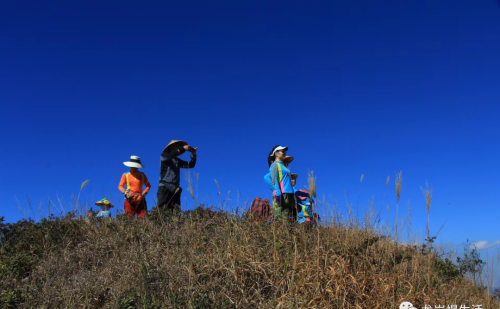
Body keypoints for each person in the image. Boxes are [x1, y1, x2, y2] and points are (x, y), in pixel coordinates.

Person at [157, 140, 198, 211]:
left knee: (176, 211)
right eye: (178, 146)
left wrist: (193, 155)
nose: (179, 147)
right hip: (165, 186)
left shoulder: (177, 160)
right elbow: (170, 156)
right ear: (171, 147)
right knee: (161, 210)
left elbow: (191, 165)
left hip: (175, 188)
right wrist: (183, 148)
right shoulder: (164, 155)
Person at [268, 145, 297, 220]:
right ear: (276, 154)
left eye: (285, 152)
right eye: (282, 151)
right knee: (281, 219)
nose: (284, 153)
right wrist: (277, 193)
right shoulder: (274, 165)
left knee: (290, 219)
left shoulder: (284, 166)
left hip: (289, 194)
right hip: (282, 194)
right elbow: (274, 180)